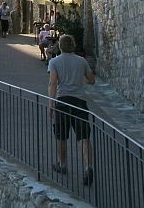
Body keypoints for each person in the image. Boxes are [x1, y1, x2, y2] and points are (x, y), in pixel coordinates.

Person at [48, 34, 96, 186]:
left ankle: (62, 164)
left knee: (61, 136)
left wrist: (51, 104)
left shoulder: (54, 62)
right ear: (73, 45)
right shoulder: (81, 61)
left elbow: (53, 83)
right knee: (84, 137)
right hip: (79, 102)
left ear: (60, 46)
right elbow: (92, 80)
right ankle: (88, 166)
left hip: (62, 101)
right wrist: (80, 80)